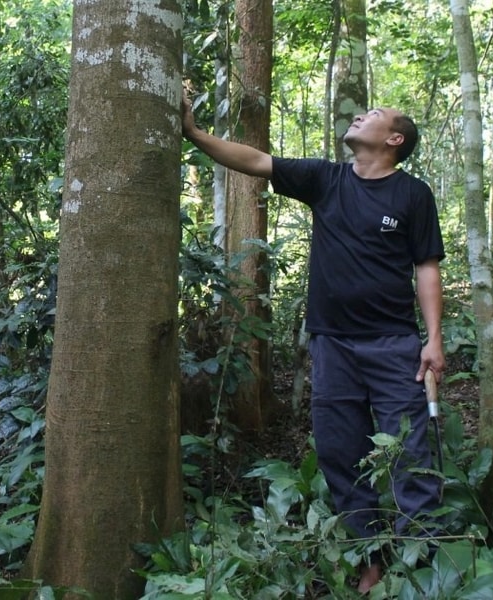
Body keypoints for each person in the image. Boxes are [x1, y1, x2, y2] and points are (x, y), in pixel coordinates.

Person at [182, 95, 445, 592]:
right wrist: (194, 135)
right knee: (339, 452)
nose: (362, 114)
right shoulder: (327, 179)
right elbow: (256, 161)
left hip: (394, 346)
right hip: (333, 347)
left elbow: (426, 266)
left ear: (394, 140)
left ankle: (421, 564)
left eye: (375, 116)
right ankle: (370, 554)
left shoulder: (413, 194)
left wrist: (433, 340)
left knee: (410, 453)